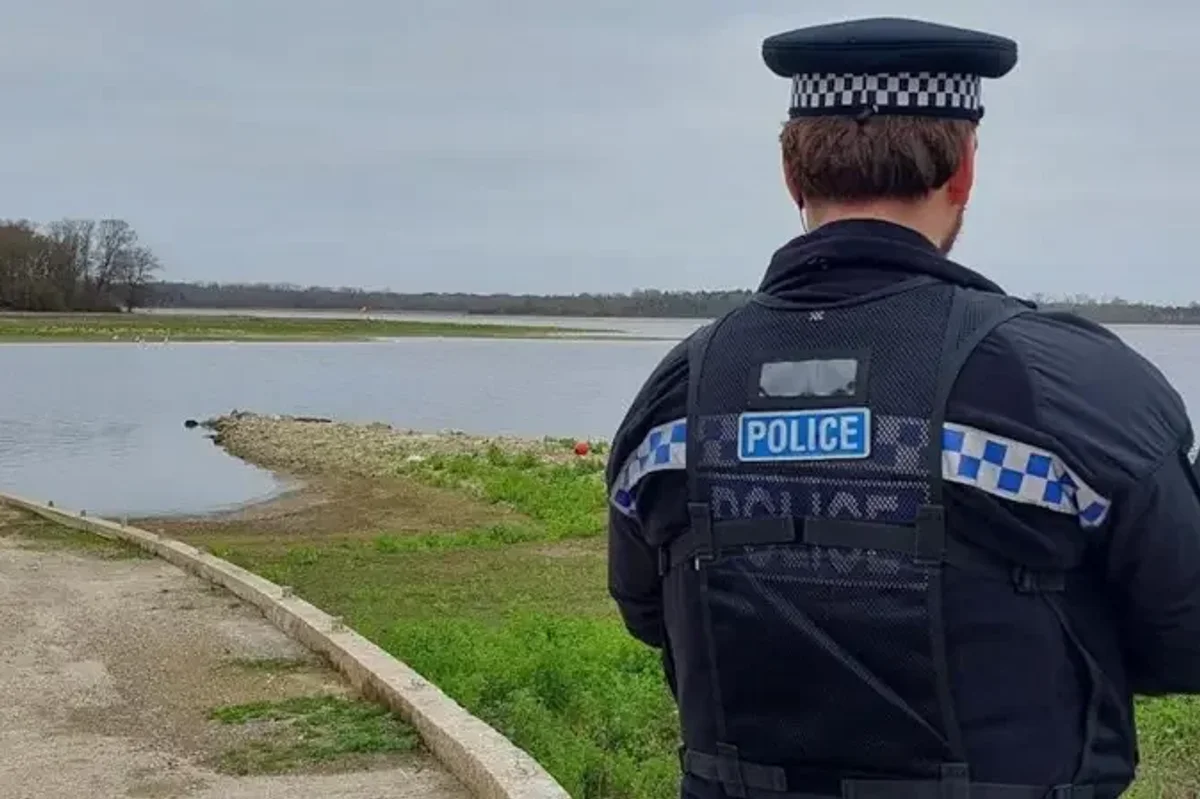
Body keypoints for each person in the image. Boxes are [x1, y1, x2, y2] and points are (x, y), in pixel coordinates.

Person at [605, 16, 1200, 799]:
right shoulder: (1074, 386)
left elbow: (650, 612)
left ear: (793, 176)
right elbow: (1184, 637)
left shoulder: (677, 395)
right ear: (963, 172)